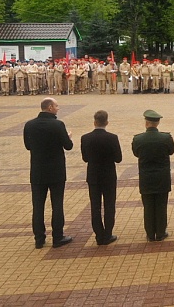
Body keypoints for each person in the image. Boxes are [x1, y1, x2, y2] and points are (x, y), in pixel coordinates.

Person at [24, 98, 74, 249]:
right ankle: (58, 237)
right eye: (57, 106)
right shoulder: (58, 124)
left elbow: (27, 146)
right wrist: (68, 137)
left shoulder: (29, 125)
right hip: (56, 171)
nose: (58, 109)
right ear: (50, 107)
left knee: (38, 206)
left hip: (38, 171)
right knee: (57, 205)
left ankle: (39, 239)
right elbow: (68, 146)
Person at [132, 110, 174, 241]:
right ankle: (161, 232)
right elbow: (171, 151)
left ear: (146, 123)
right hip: (162, 177)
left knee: (148, 206)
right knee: (161, 205)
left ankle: (150, 233)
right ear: (158, 123)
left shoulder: (138, 139)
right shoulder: (166, 138)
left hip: (146, 177)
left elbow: (136, 153)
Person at [81, 110, 122, 245]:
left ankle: (99, 235)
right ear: (107, 122)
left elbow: (85, 158)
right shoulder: (112, 137)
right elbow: (118, 158)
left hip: (93, 176)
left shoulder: (85, 138)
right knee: (110, 205)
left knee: (95, 206)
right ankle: (108, 233)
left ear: (94, 122)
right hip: (109, 176)